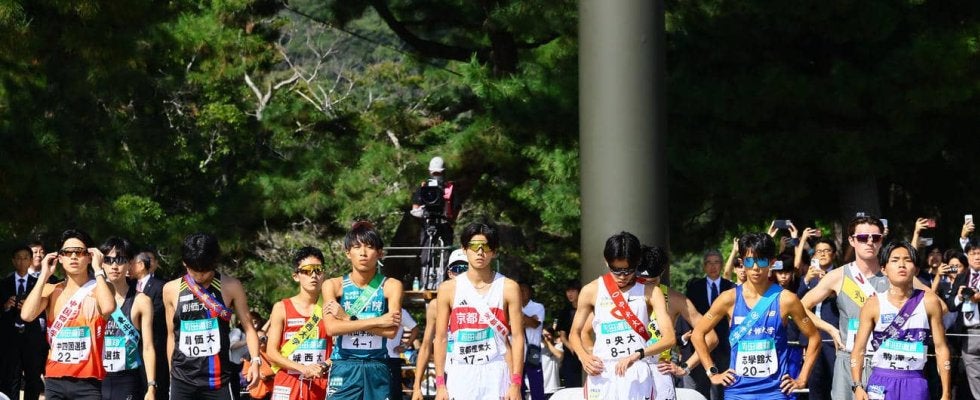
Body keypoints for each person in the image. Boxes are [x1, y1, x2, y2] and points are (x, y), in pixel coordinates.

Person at [799, 216, 933, 400]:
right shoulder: (839, 275)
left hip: (886, 364)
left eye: (875, 237)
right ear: (851, 240)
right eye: (863, 238)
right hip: (849, 359)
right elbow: (801, 307)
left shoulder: (894, 273)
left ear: (881, 241)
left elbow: (939, 306)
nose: (869, 242)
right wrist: (830, 329)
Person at [692, 232, 821, 400]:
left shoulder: (786, 299)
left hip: (775, 391)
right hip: (737, 391)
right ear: (742, 263)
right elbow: (698, 334)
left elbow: (814, 337)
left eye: (761, 260)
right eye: (749, 261)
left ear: (772, 263)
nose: (755, 267)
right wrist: (712, 372)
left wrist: (802, 379)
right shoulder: (728, 298)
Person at [568, 232, 675, 400]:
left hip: (637, 368)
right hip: (603, 373)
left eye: (629, 270)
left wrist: (638, 354)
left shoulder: (651, 292)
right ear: (606, 261)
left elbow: (669, 338)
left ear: (637, 262)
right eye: (616, 270)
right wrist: (584, 356)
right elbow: (574, 333)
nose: (622, 276)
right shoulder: (591, 290)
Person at [20, 229, 117, 400]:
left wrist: (99, 269)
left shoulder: (101, 288)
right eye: (67, 252)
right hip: (55, 379)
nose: (73, 256)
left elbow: (108, 308)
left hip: (89, 381)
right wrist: (43, 275)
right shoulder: (51, 290)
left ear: (89, 256)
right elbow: (27, 315)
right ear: (60, 258)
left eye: (79, 252)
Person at [162, 233, 262, 400]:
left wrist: (256, 361)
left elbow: (249, 328)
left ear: (215, 262)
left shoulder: (231, 286)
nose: (200, 276)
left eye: (205, 271)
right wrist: (172, 373)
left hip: (218, 380)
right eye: (194, 271)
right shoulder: (170, 289)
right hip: (182, 379)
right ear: (185, 263)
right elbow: (172, 334)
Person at [433, 222, 525, 400]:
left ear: (494, 251)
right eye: (474, 246)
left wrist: (516, 383)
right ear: (464, 249)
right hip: (461, 374)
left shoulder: (508, 287)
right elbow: (441, 338)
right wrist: (440, 385)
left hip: (496, 372)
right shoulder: (448, 289)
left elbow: (518, 337)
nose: (480, 252)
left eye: (486, 247)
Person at [850, 241, 951, 400]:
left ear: (916, 269)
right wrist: (857, 386)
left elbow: (941, 348)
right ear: (884, 269)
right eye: (895, 260)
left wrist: (946, 393)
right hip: (880, 381)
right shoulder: (873, 304)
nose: (902, 265)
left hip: (914, 381)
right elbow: (858, 349)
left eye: (908, 260)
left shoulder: (929, 301)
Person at [321, 221, 403, 400]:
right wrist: (378, 321)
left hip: (378, 365)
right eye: (357, 247)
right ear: (347, 253)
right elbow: (331, 328)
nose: (363, 253)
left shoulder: (391, 286)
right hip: (344, 365)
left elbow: (390, 331)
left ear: (380, 253)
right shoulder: (333, 285)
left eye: (369, 247)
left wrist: (347, 319)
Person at [638, 245, 719, 400]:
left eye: (652, 282)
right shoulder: (622, 295)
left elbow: (711, 337)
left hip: (659, 373)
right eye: (641, 281)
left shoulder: (676, 299)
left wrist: (684, 368)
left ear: (661, 273)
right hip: (628, 371)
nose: (647, 287)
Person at [264, 246, 332, 400]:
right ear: (296, 276)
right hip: (288, 382)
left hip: (321, 382)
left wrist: (323, 366)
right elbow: (271, 352)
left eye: (318, 269)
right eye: (307, 270)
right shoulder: (281, 308)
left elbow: (341, 349)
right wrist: (302, 368)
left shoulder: (331, 307)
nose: (313, 275)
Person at [99, 237, 157, 400]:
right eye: (108, 260)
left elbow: (148, 346)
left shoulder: (141, 301)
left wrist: (151, 387)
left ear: (130, 264)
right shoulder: (92, 297)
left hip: (127, 379)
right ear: (101, 264)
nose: (114, 266)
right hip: (96, 379)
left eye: (120, 260)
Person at [411, 249, 467, 400]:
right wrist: (417, 387)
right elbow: (426, 345)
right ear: (449, 273)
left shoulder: (486, 299)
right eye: (457, 269)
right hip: (448, 373)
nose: (461, 273)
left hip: (478, 368)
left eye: (465, 268)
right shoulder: (436, 305)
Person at [684, 249, 734, 400]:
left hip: (724, 346)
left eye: (716, 262)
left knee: (720, 390)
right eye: (709, 263)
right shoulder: (694, 288)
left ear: (722, 265)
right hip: (700, 345)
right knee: (700, 388)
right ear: (704, 266)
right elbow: (688, 315)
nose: (713, 266)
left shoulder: (730, 287)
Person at [0, 245, 48, 400]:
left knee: (33, 379)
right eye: (18, 258)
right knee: (10, 378)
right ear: (13, 261)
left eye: (25, 258)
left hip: (32, 338)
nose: (22, 261)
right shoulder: (3, 283)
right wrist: (6, 306)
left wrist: (31, 306)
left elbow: (44, 310)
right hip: (9, 339)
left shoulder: (39, 283)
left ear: (30, 261)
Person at [796, 237, 839, 400]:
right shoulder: (809, 277)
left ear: (834, 254)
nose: (822, 254)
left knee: (834, 383)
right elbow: (797, 305)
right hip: (812, 337)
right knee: (815, 385)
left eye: (826, 251)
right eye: (819, 251)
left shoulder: (840, 276)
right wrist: (806, 280)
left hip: (833, 336)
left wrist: (830, 288)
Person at [411, 156, 460, 290]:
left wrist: (448, 216)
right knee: (426, 254)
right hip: (428, 224)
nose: (437, 176)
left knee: (446, 254)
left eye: (438, 173)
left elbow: (456, 208)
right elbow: (415, 207)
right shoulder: (424, 187)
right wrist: (421, 212)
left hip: (444, 224)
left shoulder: (450, 189)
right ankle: (424, 282)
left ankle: (444, 283)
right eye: (434, 173)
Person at [133, 251, 170, 400]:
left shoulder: (160, 286)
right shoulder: (128, 287)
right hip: (132, 352)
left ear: (141, 265)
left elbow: (159, 313)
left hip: (155, 348)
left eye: (132, 263)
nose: (128, 267)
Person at [946, 243, 980, 399]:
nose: (977, 257)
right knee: (974, 378)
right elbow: (950, 306)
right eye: (973, 253)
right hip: (967, 335)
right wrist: (960, 296)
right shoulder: (961, 277)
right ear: (967, 256)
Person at [555, 279, 583, 388]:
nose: (569, 294)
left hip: (586, 351)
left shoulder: (586, 309)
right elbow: (562, 336)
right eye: (568, 291)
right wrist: (572, 347)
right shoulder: (565, 312)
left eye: (573, 291)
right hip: (570, 355)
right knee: (571, 385)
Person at [520, 282, 546, 400]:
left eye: (523, 290)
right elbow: (510, 328)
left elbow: (535, 324)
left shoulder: (538, 307)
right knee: (518, 386)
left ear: (530, 292)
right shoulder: (512, 307)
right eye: (518, 291)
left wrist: (519, 317)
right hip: (518, 353)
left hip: (533, 350)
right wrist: (528, 319)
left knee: (536, 384)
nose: (521, 293)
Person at [386, 308, 418, 400]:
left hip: (392, 358)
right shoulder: (372, 308)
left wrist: (405, 346)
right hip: (372, 357)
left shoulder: (400, 311)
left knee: (393, 393)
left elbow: (415, 329)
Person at [540, 327, 563, 398]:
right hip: (539, 388)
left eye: (548, 335)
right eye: (544, 335)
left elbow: (559, 355)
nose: (546, 337)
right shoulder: (538, 347)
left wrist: (547, 343)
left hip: (553, 387)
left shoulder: (557, 346)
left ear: (553, 335)